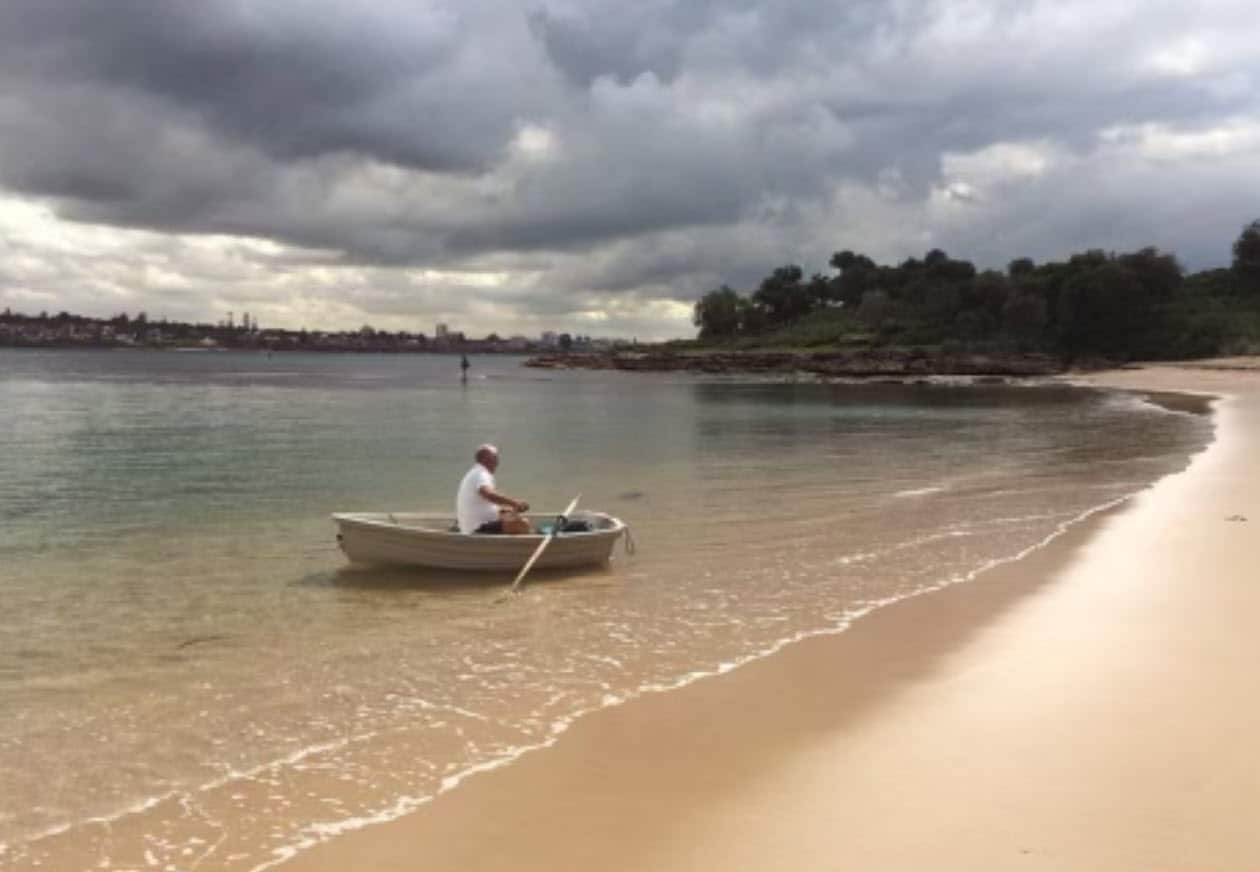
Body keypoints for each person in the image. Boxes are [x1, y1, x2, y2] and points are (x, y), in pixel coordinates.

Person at [456, 444, 532, 534]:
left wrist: (507, 510)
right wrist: (514, 503)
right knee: (523, 524)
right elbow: (489, 494)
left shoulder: (477, 473)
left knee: (512, 517)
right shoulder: (480, 474)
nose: (497, 462)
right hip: (478, 528)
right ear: (486, 459)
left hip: (479, 524)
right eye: (495, 458)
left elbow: (486, 503)